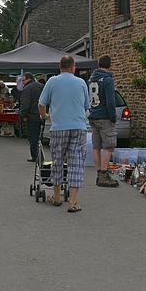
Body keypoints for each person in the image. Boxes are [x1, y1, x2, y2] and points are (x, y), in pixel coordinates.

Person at [38, 55, 90, 213]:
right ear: (73, 67)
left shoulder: (52, 81)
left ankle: (56, 196)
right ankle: (72, 202)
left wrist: (44, 116)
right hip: (78, 127)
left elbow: (41, 104)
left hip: (59, 127)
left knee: (57, 161)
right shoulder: (81, 83)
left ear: (59, 67)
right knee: (76, 164)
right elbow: (87, 106)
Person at [88, 55, 119, 188]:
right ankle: (104, 174)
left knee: (96, 146)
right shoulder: (107, 79)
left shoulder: (91, 79)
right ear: (109, 65)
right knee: (109, 145)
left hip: (93, 115)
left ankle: (98, 172)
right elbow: (111, 101)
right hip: (104, 116)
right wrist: (113, 117)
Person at [17, 72, 44, 162]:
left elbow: (25, 105)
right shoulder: (41, 86)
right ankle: (40, 155)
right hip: (42, 115)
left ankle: (34, 156)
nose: (22, 82)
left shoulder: (27, 89)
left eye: (23, 80)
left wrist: (22, 115)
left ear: (28, 79)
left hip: (32, 116)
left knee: (33, 138)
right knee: (40, 137)